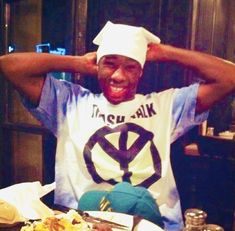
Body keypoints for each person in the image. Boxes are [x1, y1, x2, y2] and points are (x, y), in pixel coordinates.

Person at [0, 21, 235, 230]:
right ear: (97, 66)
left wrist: (164, 52)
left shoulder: (167, 106)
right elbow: (10, 65)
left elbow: (229, 77)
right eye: (110, 64)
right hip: (80, 222)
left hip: (153, 222)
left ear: (141, 71)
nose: (118, 76)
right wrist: (78, 62)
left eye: (131, 67)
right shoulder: (68, 103)